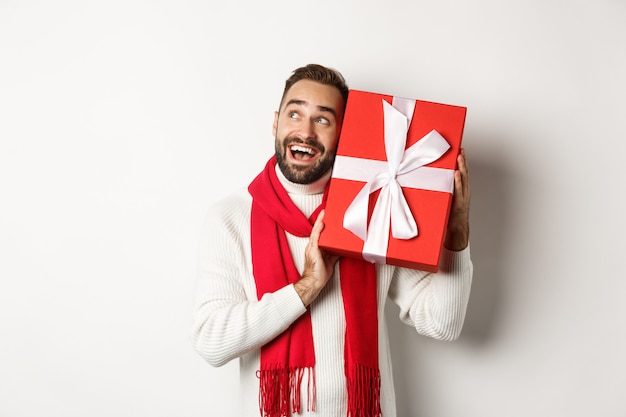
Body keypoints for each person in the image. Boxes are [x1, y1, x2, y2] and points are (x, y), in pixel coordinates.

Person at [191, 64, 473, 417]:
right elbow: (210, 341)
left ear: (344, 132)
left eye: (323, 120)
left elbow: (442, 325)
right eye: (295, 114)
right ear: (276, 122)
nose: (305, 132)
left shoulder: (374, 212)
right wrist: (306, 287)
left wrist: (455, 236)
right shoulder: (230, 217)